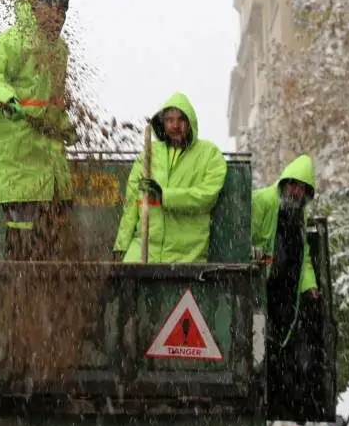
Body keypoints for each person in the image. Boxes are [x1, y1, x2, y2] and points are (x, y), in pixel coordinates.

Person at [0, 0, 79, 260]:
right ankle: (20, 292)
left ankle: (42, 294)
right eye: (54, 8)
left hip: (47, 158)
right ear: (37, 4)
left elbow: (54, 102)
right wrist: (7, 100)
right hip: (17, 158)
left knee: (53, 234)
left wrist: (66, 126)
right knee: (23, 235)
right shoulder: (11, 42)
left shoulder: (60, 51)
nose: (58, 17)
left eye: (64, 11)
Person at [112, 93, 227, 263]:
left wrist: (165, 196)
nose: (175, 126)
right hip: (144, 251)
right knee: (122, 285)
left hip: (185, 256)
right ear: (163, 123)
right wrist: (121, 245)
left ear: (190, 122)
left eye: (181, 120)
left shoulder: (210, 154)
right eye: (169, 120)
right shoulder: (149, 154)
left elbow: (206, 196)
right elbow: (131, 205)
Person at [251, 154, 319, 350]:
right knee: (257, 346)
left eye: (301, 188)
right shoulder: (262, 201)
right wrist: (255, 254)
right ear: (284, 183)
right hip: (258, 288)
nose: (296, 191)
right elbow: (240, 237)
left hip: (283, 294)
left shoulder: (299, 214)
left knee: (276, 345)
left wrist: (309, 285)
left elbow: (302, 254)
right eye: (293, 185)